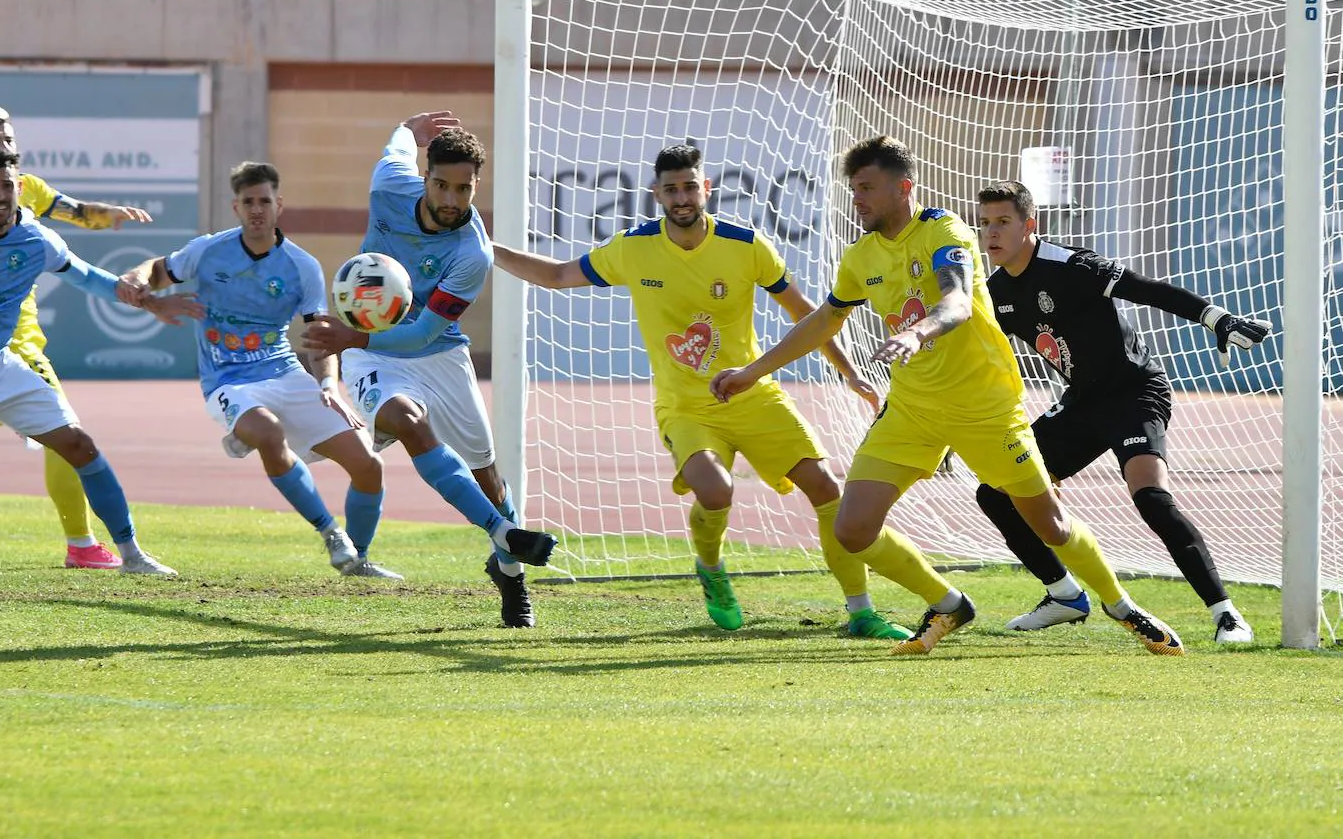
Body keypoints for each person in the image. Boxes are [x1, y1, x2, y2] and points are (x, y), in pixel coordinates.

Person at [712, 136, 1187, 656]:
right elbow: (824, 320)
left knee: (1049, 523)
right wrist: (753, 371)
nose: (859, 200)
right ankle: (948, 602)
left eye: (868, 188)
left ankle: (1122, 606)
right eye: (854, 190)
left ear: (904, 188)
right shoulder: (861, 256)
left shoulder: (945, 231)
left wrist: (917, 332)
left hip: (984, 408)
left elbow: (958, 301)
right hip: (913, 410)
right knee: (852, 527)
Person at [492, 143, 909, 638]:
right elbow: (557, 276)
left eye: (690, 186)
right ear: (656, 195)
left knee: (826, 488)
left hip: (755, 396)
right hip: (685, 406)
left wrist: (848, 371)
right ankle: (710, 569)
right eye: (671, 189)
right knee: (716, 491)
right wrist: (487, 249)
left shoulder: (746, 244)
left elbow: (806, 313)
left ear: (705, 188)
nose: (682, 196)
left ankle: (860, 611)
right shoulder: (632, 246)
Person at [976, 180, 1267, 643]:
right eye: (985, 223)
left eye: (1003, 222)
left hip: (1135, 392)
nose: (991, 233)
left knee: (1150, 497)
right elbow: (975, 359)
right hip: (1081, 404)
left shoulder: (1073, 265)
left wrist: (1218, 318)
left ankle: (1227, 615)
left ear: (1030, 225)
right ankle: (1063, 596)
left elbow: (1148, 290)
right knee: (994, 493)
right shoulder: (993, 293)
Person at [304, 112, 557, 626]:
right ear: (425, 178)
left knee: (488, 475)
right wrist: (407, 126)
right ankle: (503, 533)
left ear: (474, 187)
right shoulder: (389, 188)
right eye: (441, 185)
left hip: (437, 352)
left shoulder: (472, 253)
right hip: (375, 354)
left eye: (462, 190)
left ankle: (508, 572)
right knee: (407, 421)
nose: (450, 200)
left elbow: (423, 332)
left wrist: (351, 334)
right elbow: (395, 148)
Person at [120, 162, 386, 576]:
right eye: (249, 202)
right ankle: (331, 534)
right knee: (268, 431)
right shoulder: (209, 250)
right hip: (227, 379)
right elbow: (156, 271)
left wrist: (330, 384)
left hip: (283, 371)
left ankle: (360, 560)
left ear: (279, 205)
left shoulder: (302, 266)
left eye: (265, 201)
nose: (257, 209)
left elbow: (319, 339)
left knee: (369, 465)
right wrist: (142, 283)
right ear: (236, 207)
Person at [0, 150, 199, 574]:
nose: (0, 195)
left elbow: (88, 277)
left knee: (79, 445)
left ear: (19, 188)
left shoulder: (37, 240)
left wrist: (150, 303)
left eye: (6, 185)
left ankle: (131, 555)